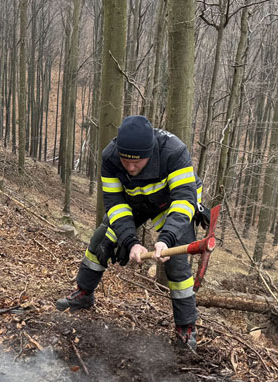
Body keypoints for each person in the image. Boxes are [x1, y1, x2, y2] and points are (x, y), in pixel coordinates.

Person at [56, 115, 205, 349]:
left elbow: (184, 201)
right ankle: (83, 294)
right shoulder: (110, 157)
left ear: (151, 151)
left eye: (138, 161)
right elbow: (115, 204)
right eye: (126, 161)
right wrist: (130, 241)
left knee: (176, 262)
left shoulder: (174, 151)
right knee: (101, 241)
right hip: (133, 202)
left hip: (171, 204)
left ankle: (185, 327)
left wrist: (166, 238)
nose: (131, 167)